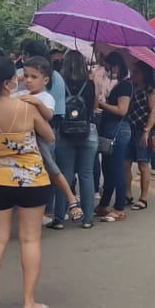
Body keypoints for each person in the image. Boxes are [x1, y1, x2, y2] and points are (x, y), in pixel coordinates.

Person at [0, 55, 55, 308]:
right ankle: (29, 302)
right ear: (8, 81)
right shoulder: (26, 107)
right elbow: (50, 137)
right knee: (29, 239)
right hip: (32, 178)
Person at [16, 56, 82, 228]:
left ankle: (71, 198)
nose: (28, 80)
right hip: (23, 142)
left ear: (45, 80)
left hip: (39, 140)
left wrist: (37, 103)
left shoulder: (45, 97)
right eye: (26, 76)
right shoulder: (21, 94)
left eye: (33, 77)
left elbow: (49, 116)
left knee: (52, 169)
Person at [54, 51, 99, 229]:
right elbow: (93, 108)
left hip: (64, 132)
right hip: (87, 132)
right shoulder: (89, 84)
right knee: (86, 175)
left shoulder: (59, 83)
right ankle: (87, 218)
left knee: (65, 175)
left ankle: (59, 218)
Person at [95, 53, 134, 222]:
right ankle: (104, 205)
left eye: (109, 68)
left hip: (118, 130)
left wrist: (101, 104)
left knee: (117, 169)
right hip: (111, 129)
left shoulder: (125, 86)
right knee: (109, 169)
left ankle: (119, 208)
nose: (107, 72)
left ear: (116, 67)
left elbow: (122, 110)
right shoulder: (119, 85)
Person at [126, 65, 155, 210]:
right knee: (125, 163)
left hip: (142, 131)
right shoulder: (131, 88)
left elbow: (153, 112)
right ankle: (127, 193)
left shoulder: (151, 91)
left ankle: (143, 197)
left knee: (143, 164)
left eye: (136, 71)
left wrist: (147, 130)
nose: (133, 74)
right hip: (129, 129)